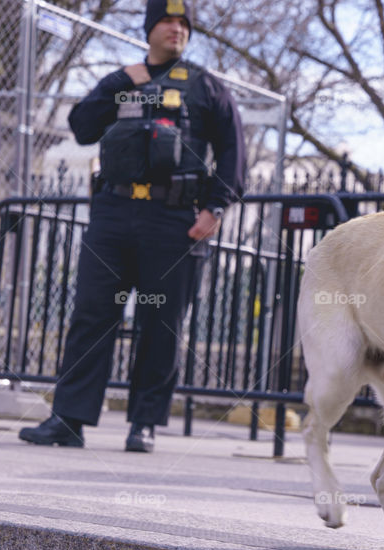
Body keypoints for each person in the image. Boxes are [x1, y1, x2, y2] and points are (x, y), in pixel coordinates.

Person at [18, 0, 245, 453]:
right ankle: (69, 420)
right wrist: (122, 81)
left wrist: (215, 209)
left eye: (183, 23)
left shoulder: (206, 87)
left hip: (175, 221)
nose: (176, 29)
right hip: (113, 215)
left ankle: (144, 423)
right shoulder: (122, 81)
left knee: (161, 323)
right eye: (167, 20)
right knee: (91, 315)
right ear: (149, 28)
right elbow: (81, 126)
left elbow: (235, 153)